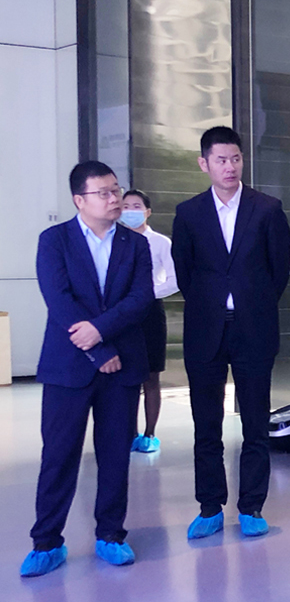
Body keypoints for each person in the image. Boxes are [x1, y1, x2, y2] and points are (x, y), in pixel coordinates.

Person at [20, 161, 154, 577]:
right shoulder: (54, 240)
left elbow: (140, 300)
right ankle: (47, 542)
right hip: (68, 367)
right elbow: (58, 299)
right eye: (104, 193)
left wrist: (99, 333)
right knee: (58, 456)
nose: (115, 199)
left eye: (117, 190)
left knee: (115, 454)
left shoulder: (135, 245)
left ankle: (110, 534)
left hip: (122, 366)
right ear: (80, 200)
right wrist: (98, 349)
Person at [172, 126, 290, 540]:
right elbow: (185, 273)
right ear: (204, 163)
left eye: (236, 159)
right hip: (204, 329)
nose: (230, 167)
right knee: (206, 424)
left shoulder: (268, 209)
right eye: (221, 160)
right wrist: (212, 302)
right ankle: (209, 506)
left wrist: (250, 302)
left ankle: (252, 506)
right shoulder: (188, 213)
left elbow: (279, 271)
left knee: (255, 423)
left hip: (253, 328)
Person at [120, 189, 178, 454]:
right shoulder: (114, 241)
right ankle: (127, 433)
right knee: (126, 377)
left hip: (150, 311)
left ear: (148, 211)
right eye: (126, 206)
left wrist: (146, 294)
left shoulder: (161, 242)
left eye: (137, 206)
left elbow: (175, 279)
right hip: (122, 314)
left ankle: (149, 434)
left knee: (151, 376)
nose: (131, 211)